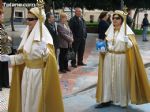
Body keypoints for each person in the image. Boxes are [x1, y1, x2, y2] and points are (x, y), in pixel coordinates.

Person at [0, 7, 64, 112]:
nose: (27, 22)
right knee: (26, 100)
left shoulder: (45, 37)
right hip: (27, 74)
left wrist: (45, 51)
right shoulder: (27, 35)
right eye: (27, 18)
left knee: (36, 102)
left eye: (30, 19)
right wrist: (9, 58)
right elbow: (24, 57)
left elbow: (50, 60)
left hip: (38, 76)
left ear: (38, 20)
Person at [96, 10, 150, 108]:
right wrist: (103, 49)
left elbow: (133, 47)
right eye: (113, 18)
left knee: (121, 79)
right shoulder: (110, 30)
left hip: (121, 58)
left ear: (122, 20)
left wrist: (128, 42)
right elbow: (106, 44)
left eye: (117, 18)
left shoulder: (127, 32)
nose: (114, 20)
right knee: (107, 79)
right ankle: (106, 99)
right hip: (109, 57)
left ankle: (122, 100)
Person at [0, 6, 12, 91]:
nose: (3, 17)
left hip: (4, 50)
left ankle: (5, 83)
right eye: (2, 15)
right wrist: (7, 38)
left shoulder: (2, 25)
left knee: (4, 67)